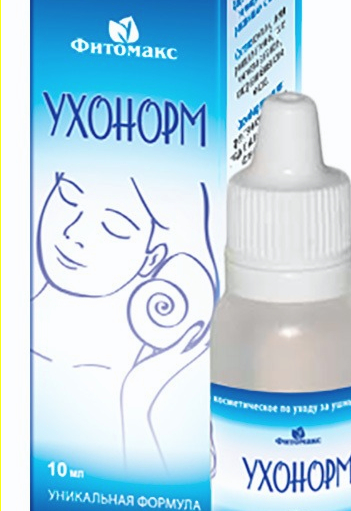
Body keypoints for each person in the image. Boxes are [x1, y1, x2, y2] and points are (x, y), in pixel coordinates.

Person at [31, 172, 217, 476]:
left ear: (152, 258)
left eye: (113, 227)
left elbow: (161, 491)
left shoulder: (165, 379)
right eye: (67, 196)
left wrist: (138, 400)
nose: (73, 233)